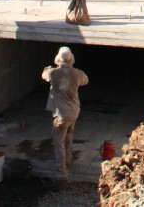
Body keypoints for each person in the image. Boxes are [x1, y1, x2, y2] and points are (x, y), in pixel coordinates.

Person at [41, 46, 89, 184]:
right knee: (69, 135)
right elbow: (86, 80)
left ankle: (62, 173)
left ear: (58, 59)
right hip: (74, 112)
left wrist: (48, 69)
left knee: (58, 143)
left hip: (60, 115)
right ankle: (68, 160)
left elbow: (44, 75)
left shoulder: (53, 73)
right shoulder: (78, 74)